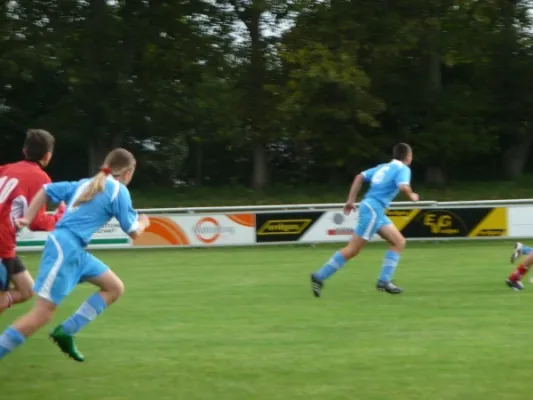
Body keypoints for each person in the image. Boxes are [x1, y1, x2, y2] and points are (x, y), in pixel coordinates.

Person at [0, 148, 150, 362]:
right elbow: (134, 231)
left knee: (114, 288)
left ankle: (66, 331)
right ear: (128, 173)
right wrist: (144, 222)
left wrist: (27, 218)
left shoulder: (85, 183)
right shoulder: (118, 190)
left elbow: (46, 189)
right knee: (41, 314)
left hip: (75, 249)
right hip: (66, 248)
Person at [310, 143, 419, 297]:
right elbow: (403, 187)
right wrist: (412, 196)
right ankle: (319, 276)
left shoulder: (383, 166)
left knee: (399, 242)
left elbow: (359, 177)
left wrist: (350, 200)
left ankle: (384, 281)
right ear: (408, 156)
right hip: (373, 211)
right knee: (353, 249)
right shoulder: (403, 169)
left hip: (375, 210)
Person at [0, 129, 65, 313]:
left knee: (27, 290)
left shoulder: (5, 169)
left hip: (5, 244)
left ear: (24, 151)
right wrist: (60, 214)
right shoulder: (41, 178)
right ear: (48, 156)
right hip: (2, 244)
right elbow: (38, 222)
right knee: (2, 300)